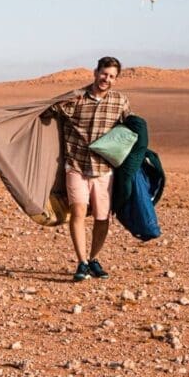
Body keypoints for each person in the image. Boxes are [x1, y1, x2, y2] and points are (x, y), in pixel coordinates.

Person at [53, 56, 131, 281]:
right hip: (76, 165)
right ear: (96, 72)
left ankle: (94, 259)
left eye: (112, 76)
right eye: (104, 74)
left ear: (116, 79)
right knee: (78, 212)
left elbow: (130, 129)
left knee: (102, 217)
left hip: (104, 169)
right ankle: (82, 262)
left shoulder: (120, 102)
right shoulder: (75, 99)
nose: (107, 79)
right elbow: (49, 112)